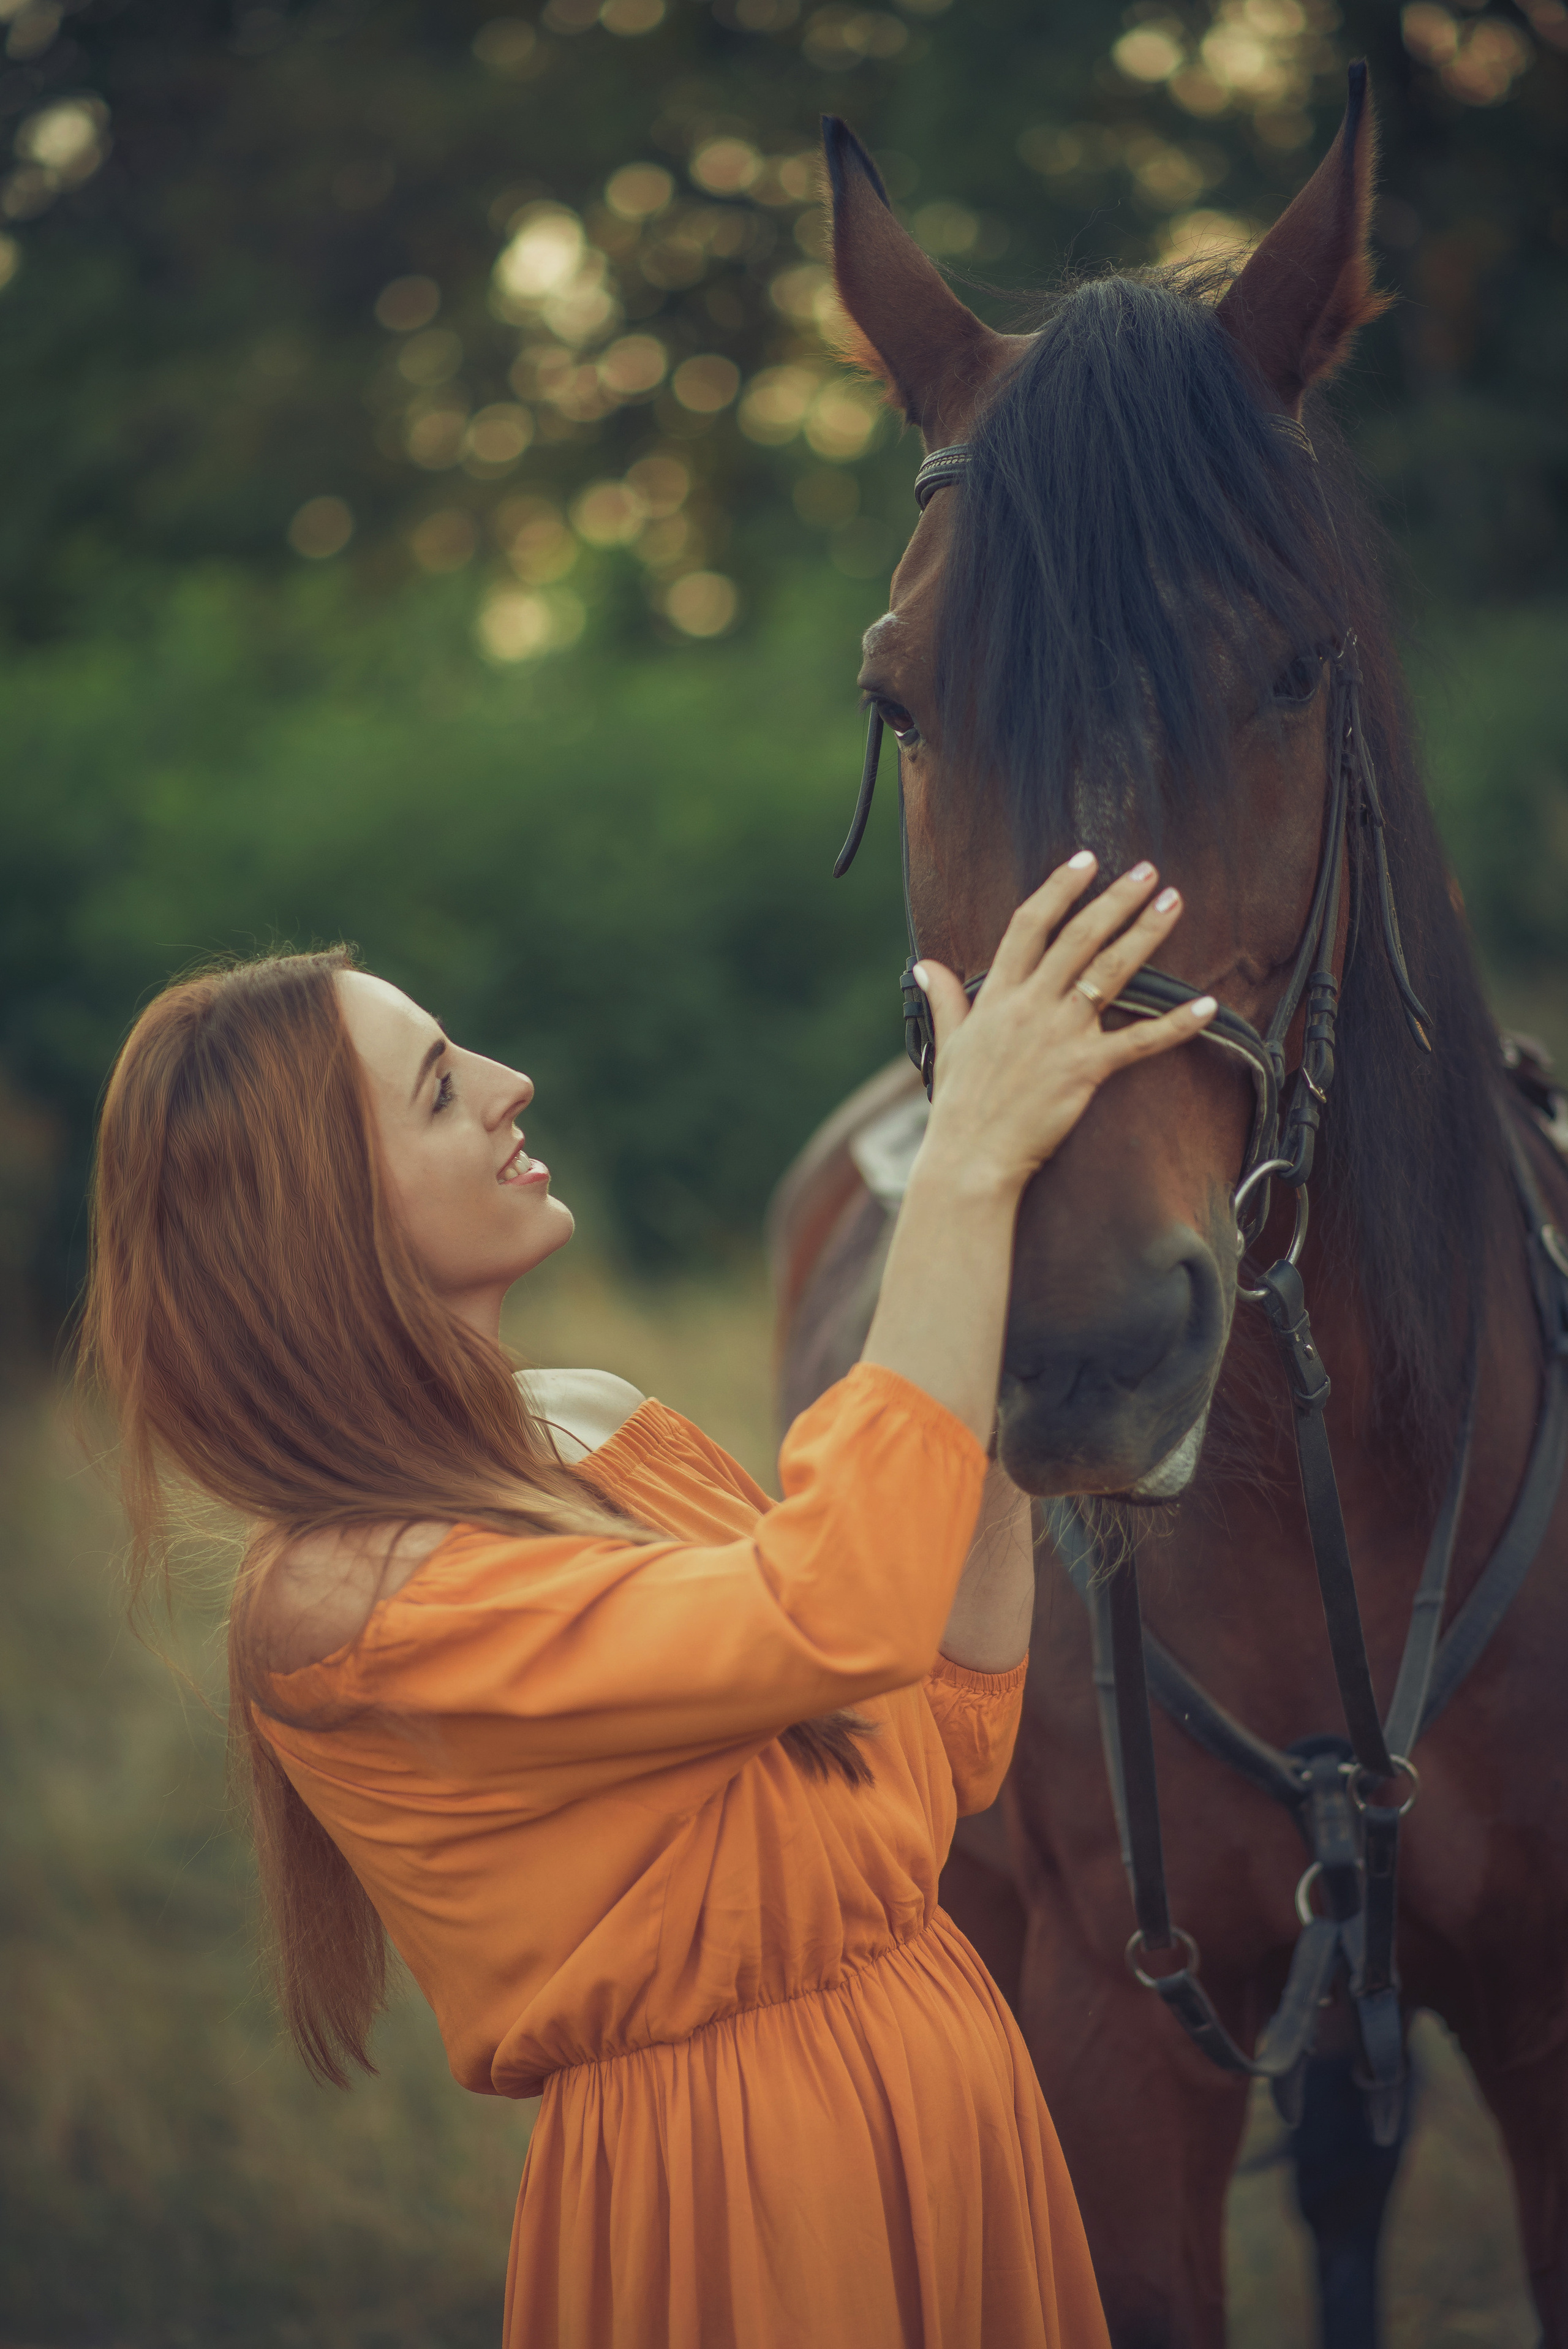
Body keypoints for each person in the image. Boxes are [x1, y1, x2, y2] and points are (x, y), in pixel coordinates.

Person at [81, 850, 1215, 2349]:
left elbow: (936, 1739)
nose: (509, 1084)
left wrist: (1007, 1342)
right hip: (744, 2188)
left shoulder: (588, 1422)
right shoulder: (347, 1601)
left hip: (949, 2085)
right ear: (322, 1221)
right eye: (436, 1089)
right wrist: (962, 1165)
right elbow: (835, 1614)